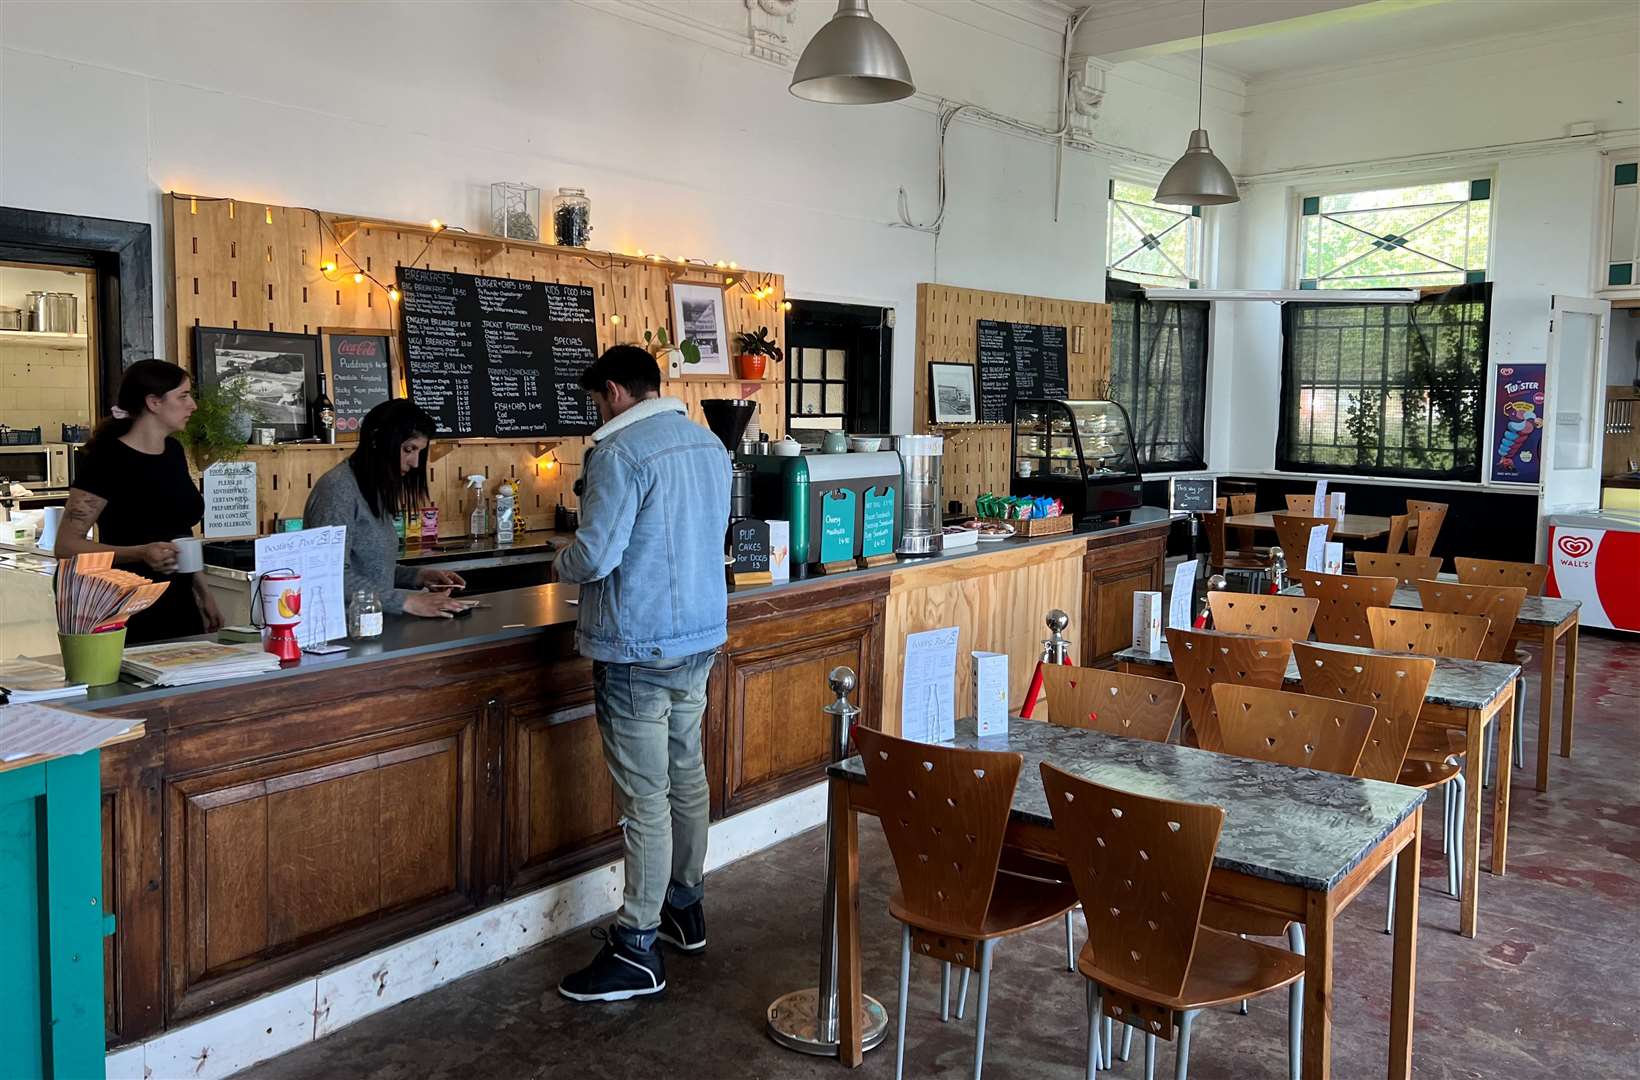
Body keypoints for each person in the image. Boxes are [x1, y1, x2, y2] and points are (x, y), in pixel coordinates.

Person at [554, 345, 730, 1003]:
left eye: (597, 401)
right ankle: (685, 907)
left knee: (644, 798)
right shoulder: (705, 444)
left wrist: (558, 565)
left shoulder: (617, 453)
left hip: (637, 645)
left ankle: (636, 946)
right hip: (697, 638)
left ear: (614, 392)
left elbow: (595, 557)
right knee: (686, 775)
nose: (596, 413)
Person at [57, 359, 223, 643]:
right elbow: (66, 546)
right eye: (183, 396)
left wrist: (203, 592)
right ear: (153, 402)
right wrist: (140, 553)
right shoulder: (107, 460)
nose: (192, 405)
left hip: (181, 604)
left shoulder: (173, 451)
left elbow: (180, 530)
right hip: (127, 607)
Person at [303, 399, 467, 618]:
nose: (415, 463)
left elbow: (369, 568)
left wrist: (417, 576)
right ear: (376, 440)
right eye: (409, 449)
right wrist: (406, 600)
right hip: (343, 634)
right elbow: (328, 575)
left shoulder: (372, 489)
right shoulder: (337, 490)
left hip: (371, 626)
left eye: (419, 452)